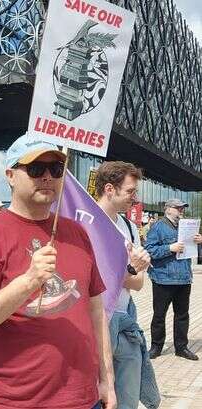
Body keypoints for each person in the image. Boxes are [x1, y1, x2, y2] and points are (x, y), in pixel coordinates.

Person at [0, 134, 115, 409]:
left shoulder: (77, 233)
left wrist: (107, 380)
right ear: (10, 175)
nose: (47, 177)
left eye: (55, 170)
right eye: (35, 169)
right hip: (17, 401)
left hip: (83, 398)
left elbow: (96, 311)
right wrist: (28, 281)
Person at [95, 161, 159, 409]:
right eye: (130, 191)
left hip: (126, 316)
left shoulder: (130, 227)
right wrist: (127, 270)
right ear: (110, 189)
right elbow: (93, 279)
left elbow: (139, 282)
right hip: (99, 318)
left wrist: (123, 271)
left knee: (128, 399)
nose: (135, 197)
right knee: (100, 394)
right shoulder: (88, 224)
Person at [145, 198, 202, 361]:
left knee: (182, 315)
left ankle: (181, 347)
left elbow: (190, 250)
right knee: (159, 315)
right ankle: (156, 347)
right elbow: (149, 250)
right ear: (167, 209)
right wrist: (170, 248)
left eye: (182, 208)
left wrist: (199, 241)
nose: (181, 210)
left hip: (184, 278)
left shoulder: (186, 227)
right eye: (178, 208)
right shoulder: (157, 227)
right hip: (163, 279)